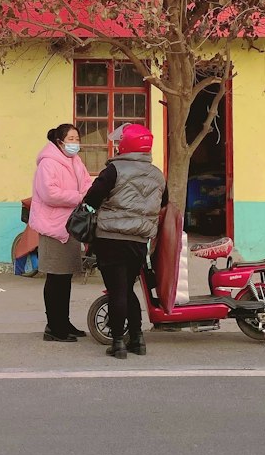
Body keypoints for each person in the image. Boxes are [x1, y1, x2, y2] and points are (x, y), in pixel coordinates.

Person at [83, 123, 166, 358]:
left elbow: (92, 198)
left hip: (111, 239)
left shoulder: (114, 170)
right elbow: (164, 202)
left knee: (116, 290)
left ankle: (118, 342)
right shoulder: (157, 174)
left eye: (120, 142)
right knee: (128, 289)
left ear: (126, 145)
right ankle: (137, 339)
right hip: (139, 242)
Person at [29, 123, 93, 342]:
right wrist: (78, 197)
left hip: (70, 226)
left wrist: (85, 194)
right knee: (55, 278)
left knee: (65, 278)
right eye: (71, 138)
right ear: (59, 141)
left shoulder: (75, 161)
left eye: (77, 138)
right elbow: (50, 194)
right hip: (53, 227)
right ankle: (54, 327)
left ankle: (63, 322)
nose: (75, 143)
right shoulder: (48, 163)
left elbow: (87, 185)